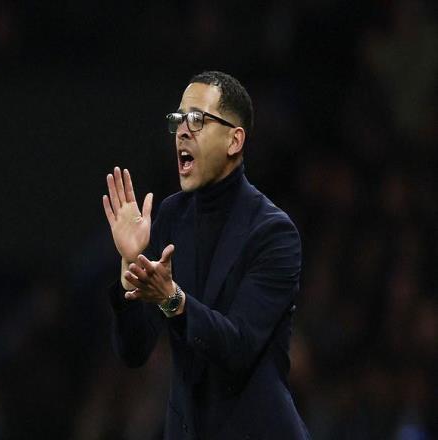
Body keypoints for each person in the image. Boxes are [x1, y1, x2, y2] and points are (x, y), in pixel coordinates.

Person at [102, 71, 309, 439]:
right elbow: (134, 351)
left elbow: (238, 347)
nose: (182, 131)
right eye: (178, 119)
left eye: (197, 119)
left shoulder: (273, 232)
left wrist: (173, 300)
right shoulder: (171, 216)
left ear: (234, 140)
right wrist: (130, 263)